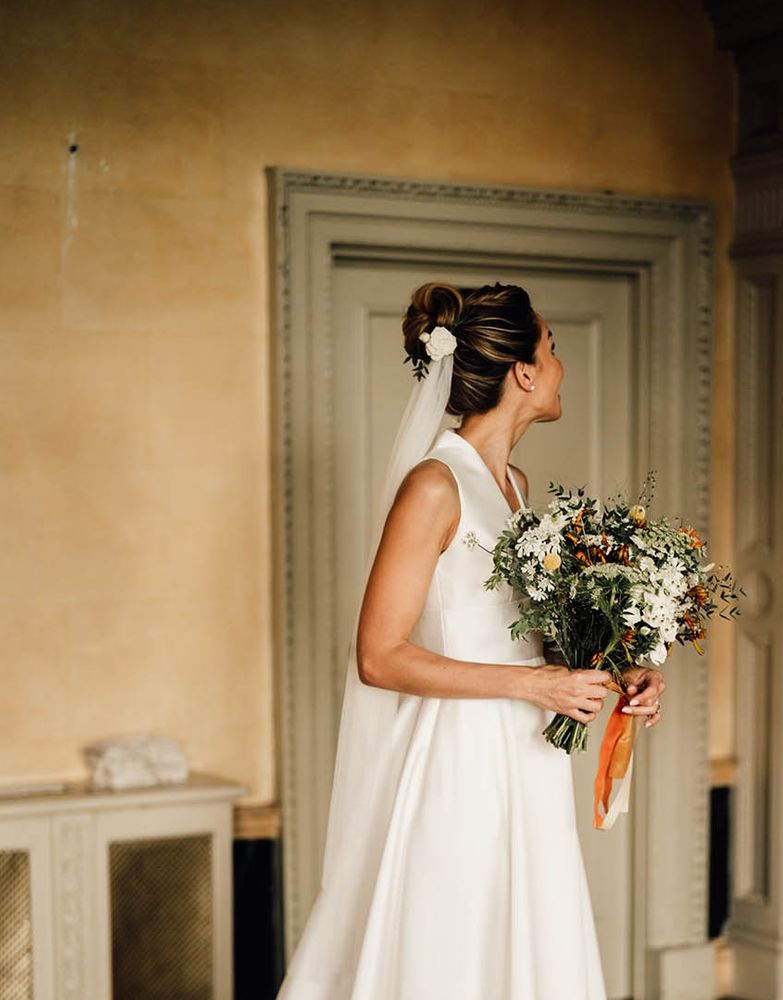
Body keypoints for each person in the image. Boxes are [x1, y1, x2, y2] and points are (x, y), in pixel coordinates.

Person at [277, 281, 665, 1000]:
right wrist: (534, 685)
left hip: (528, 757)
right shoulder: (435, 484)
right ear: (522, 371)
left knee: (522, 945)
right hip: (459, 759)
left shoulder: (515, 485)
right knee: (455, 948)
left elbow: (526, 644)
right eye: (553, 350)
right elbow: (378, 655)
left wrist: (616, 672)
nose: (557, 366)